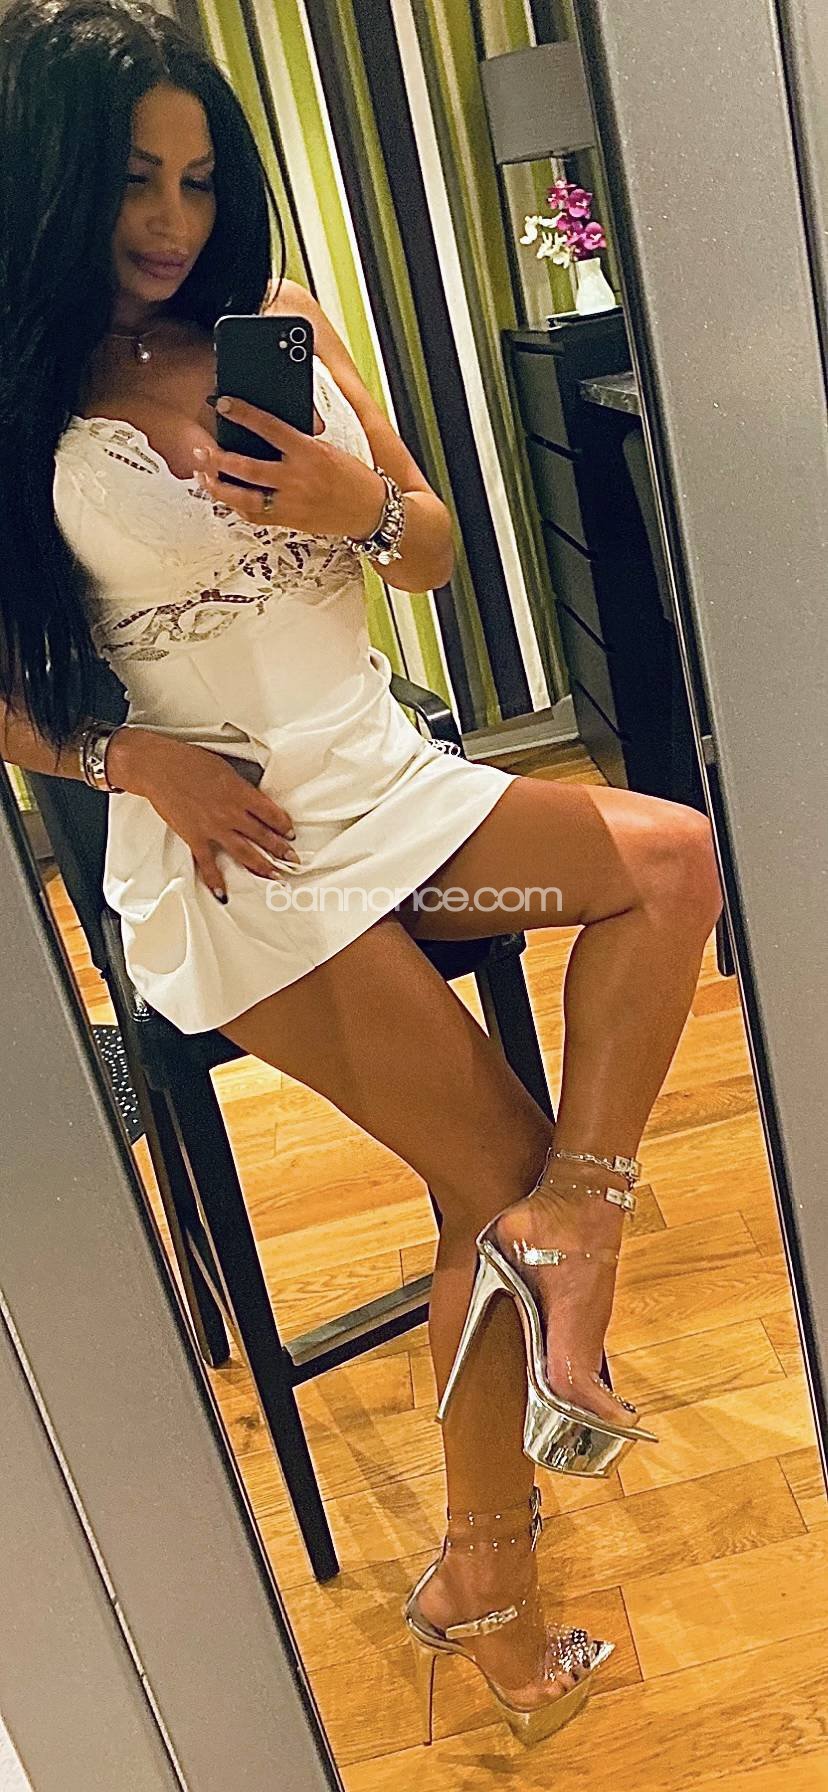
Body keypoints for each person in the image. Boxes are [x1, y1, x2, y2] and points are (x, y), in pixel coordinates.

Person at [0, 0, 723, 1749]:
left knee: (671, 859)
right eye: (134, 180)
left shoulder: (285, 322)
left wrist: (356, 501)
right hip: (242, 858)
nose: (170, 220)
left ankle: (582, 1225)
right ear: (51, 178)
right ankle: (495, 1575)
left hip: (393, 788)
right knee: (487, 1170)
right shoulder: (21, 391)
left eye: (198, 179)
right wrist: (129, 762)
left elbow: (435, 552)